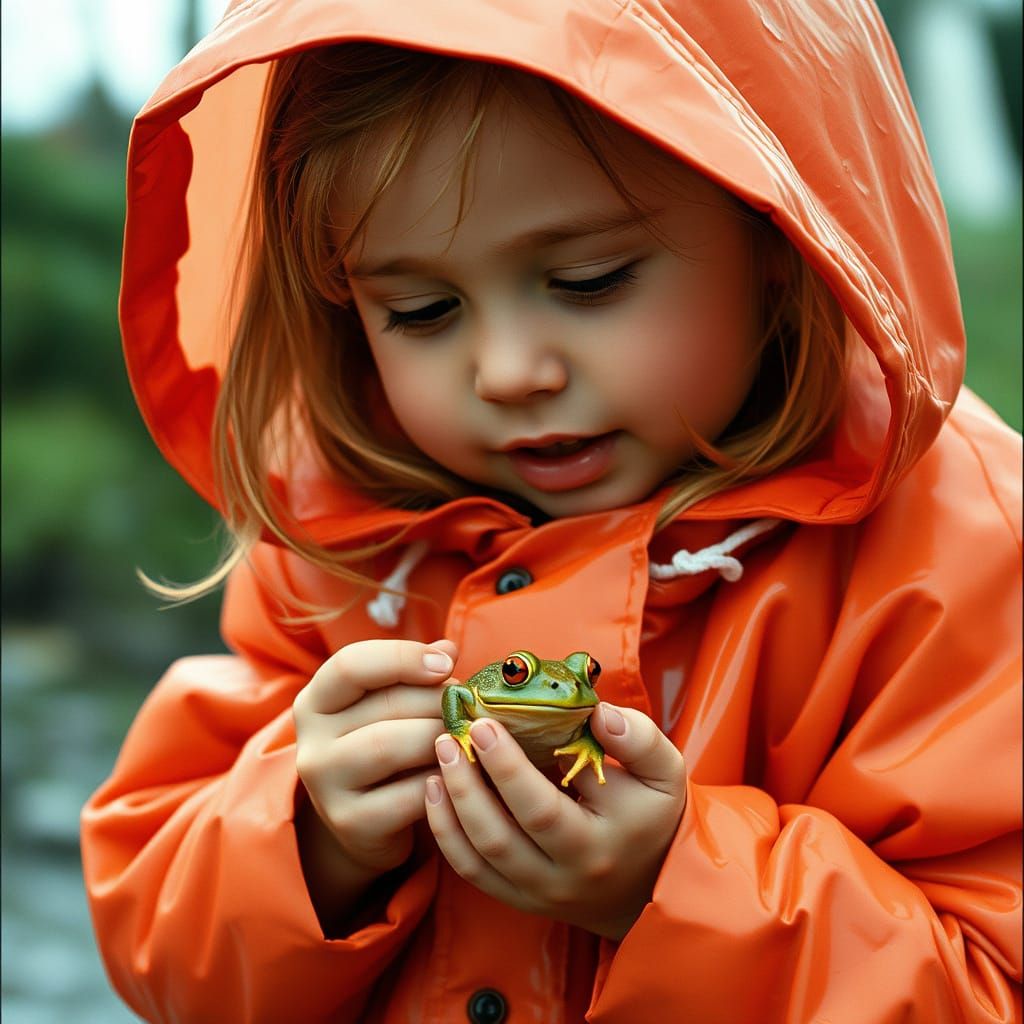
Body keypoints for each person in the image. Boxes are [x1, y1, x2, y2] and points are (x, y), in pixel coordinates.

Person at [80, 2, 1022, 1022]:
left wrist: (670, 886)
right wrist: (309, 842)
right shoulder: (337, 546)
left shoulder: (957, 548)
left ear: (776, 231)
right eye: (422, 311)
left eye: (588, 281)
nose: (509, 371)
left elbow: (988, 983)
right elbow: (162, 952)